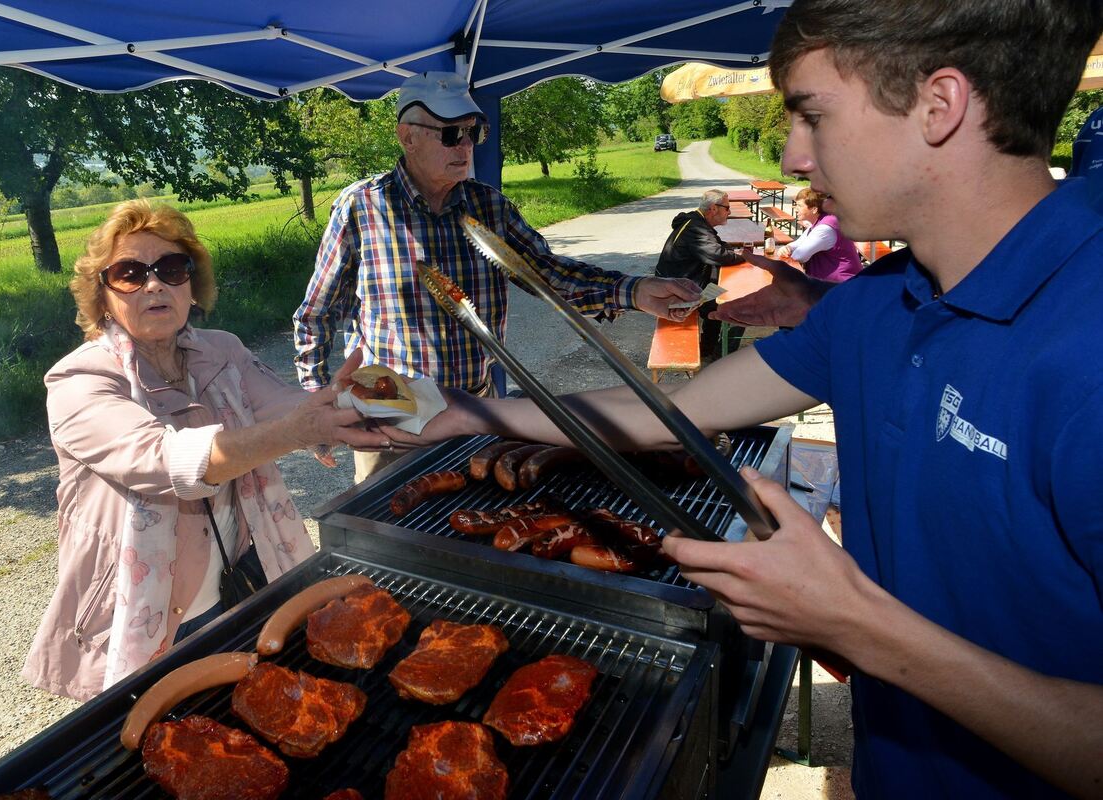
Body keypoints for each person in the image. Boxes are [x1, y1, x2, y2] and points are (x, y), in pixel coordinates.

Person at [368, 1, 1103, 797]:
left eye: (811, 116)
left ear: (940, 104)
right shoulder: (873, 305)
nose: (791, 156)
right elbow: (665, 412)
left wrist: (859, 624)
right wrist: (473, 413)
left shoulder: (1086, 344)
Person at [23, 201, 370, 702]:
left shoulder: (221, 350)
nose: (154, 284)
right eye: (129, 273)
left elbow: (285, 407)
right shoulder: (79, 380)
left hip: (239, 581)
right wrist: (296, 431)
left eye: (171, 268)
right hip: (147, 610)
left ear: (191, 283)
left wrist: (338, 405)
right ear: (101, 296)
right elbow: (163, 458)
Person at [293, 70, 699, 483]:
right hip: (393, 417)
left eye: (473, 132)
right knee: (392, 530)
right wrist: (316, 404)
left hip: (476, 407)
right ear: (407, 137)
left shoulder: (489, 206)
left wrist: (635, 291)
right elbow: (317, 314)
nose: (466, 145)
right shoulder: (361, 207)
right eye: (451, 134)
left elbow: (548, 273)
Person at [654, 189, 746, 360]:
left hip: (681, 283)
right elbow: (717, 254)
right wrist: (745, 256)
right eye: (727, 208)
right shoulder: (696, 228)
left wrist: (734, 252)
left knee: (721, 294)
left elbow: (718, 245)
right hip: (676, 292)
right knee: (735, 306)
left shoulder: (696, 222)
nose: (729, 212)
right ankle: (720, 356)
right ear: (713, 208)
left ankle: (708, 348)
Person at [771, 187, 861, 281]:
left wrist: (788, 252)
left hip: (842, 286)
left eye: (800, 206)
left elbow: (800, 255)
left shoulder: (825, 229)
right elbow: (799, 243)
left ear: (814, 209)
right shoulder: (821, 221)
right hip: (831, 284)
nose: (795, 209)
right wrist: (787, 248)